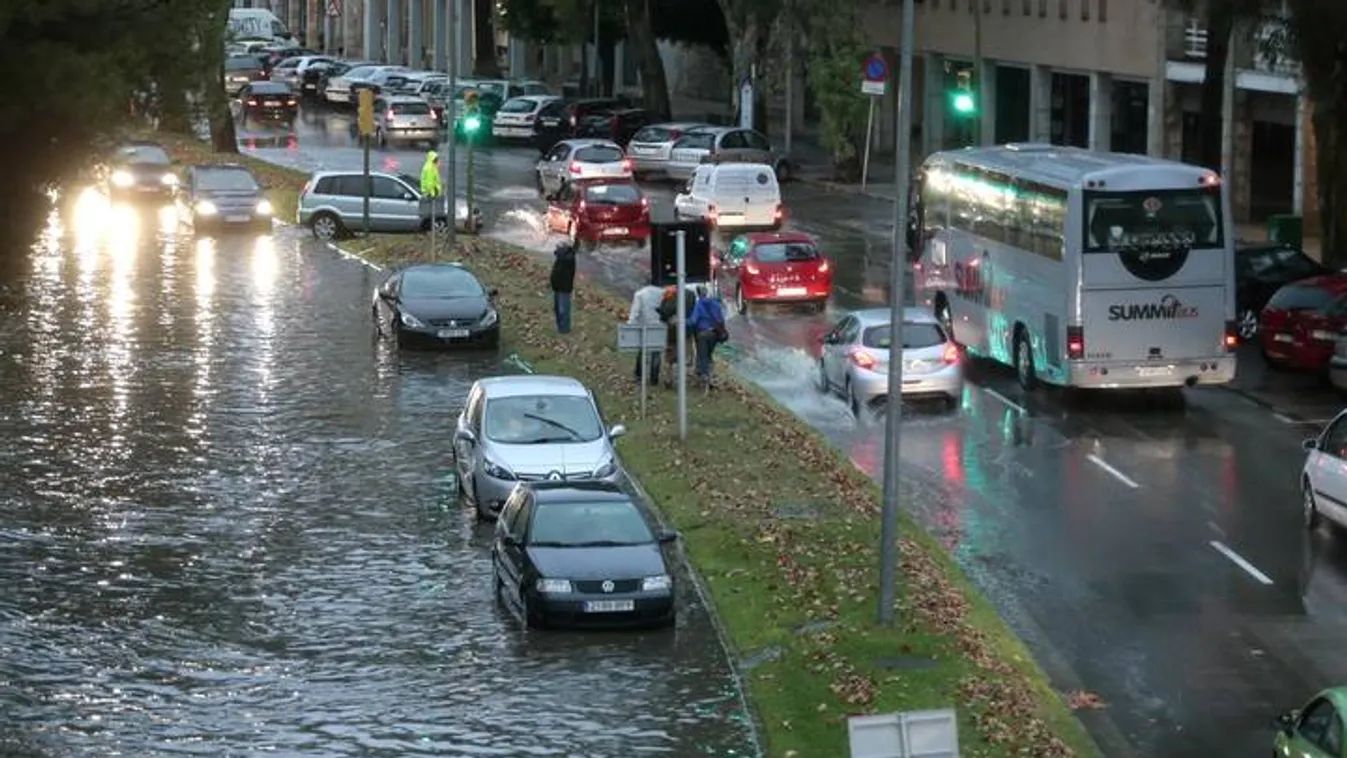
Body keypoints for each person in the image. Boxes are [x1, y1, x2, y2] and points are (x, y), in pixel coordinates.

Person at [657, 284, 697, 388]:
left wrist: (663, 316)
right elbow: (693, 309)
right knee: (687, 355)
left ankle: (668, 378)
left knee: (669, 356)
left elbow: (664, 311)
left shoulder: (669, 293)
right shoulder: (691, 294)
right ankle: (686, 380)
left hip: (672, 330)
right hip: (686, 329)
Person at [688, 285, 728, 389]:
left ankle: (705, 378)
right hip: (714, 334)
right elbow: (721, 319)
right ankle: (710, 376)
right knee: (708, 354)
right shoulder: (716, 304)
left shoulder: (698, 305)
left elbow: (693, 321)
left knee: (703, 356)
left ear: (699, 294)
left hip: (702, 334)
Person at [628, 283, 665, 385]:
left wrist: (631, 325)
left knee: (642, 351)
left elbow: (635, 311)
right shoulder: (663, 293)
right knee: (656, 353)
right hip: (659, 326)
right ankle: (654, 378)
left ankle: (639, 376)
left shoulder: (640, 294)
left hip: (644, 326)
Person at [549, 242, 577, 334]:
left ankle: (564, 330)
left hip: (564, 288)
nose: (556, 250)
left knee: (563, 310)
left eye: (558, 249)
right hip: (557, 287)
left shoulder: (568, 258)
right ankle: (560, 328)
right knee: (557, 309)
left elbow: (562, 258)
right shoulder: (561, 258)